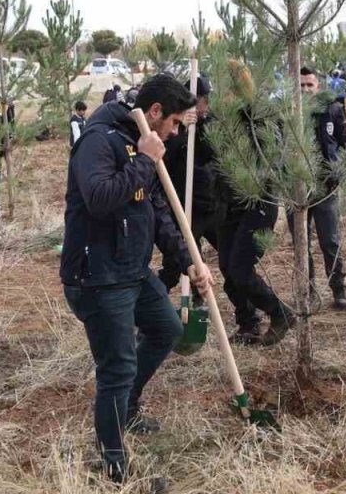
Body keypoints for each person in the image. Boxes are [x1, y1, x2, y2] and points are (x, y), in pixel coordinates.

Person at [59, 73, 211, 491]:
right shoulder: (98, 140)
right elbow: (101, 198)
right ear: (156, 113)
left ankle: (125, 408)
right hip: (97, 277)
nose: (177, 133)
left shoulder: (140, 142)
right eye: (176, 123)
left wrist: (188, 263)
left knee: (167, 329)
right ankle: (114, 468)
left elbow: (159, 212)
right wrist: (144, 159)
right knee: (117, 368)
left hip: (131, 270)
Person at [215, 64, 295, 346]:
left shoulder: (258, 116)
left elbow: (272, 158)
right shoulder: (219, 118)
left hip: (258, 201)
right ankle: (248, 325)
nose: (219, 93)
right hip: (230, 204)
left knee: (240, 270)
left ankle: (280, 313)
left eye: (225, 86)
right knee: (227, 268)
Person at [292, 67, 346, 310]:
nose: (306, 90)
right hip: (296, 187)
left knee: (329, 240)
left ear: (318, 86)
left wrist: (338, 172)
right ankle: (306, 290)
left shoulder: (333, 110)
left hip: (324, 186)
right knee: (301, 241)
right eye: (301, 86)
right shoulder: (288, 113)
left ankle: (339, 288)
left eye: (310, 85)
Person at [158, 75, 220, 297]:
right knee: (178, 263)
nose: (207, 104)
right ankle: (149, 303)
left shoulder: (210, 124)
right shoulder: (174, 127)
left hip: (209, 204)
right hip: (183, 206)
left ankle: (246, 316)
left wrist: (200, 126)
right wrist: (183, 128)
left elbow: (211, 152)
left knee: (232, 261)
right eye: (203, 99)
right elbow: (164, 158)